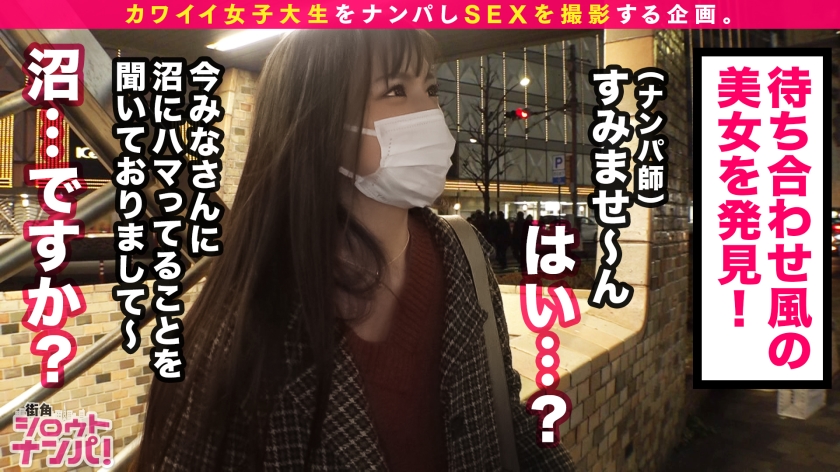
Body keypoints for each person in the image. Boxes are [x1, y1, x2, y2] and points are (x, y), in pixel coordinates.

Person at [136, 30, 575, 472]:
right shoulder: (236, 341)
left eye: (431, 89)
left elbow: (506, 419)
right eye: (395, 90)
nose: (430, 113)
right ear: (317, 123)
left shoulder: (465, 256)